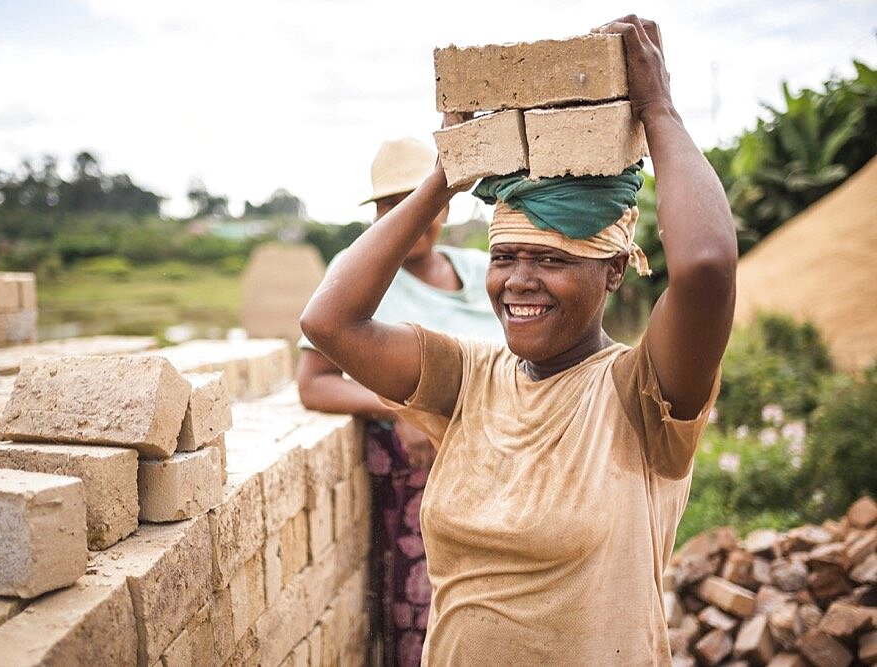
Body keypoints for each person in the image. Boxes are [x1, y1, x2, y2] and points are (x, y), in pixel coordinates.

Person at [300, 15, 737, 665]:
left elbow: (705, 266)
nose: (518, 282)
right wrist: (447, 173)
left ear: (614, 268)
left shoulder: (642, 395)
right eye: (504, 256)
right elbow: (328, 322)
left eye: (553, 259)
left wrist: (659, 109)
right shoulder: (467, 377)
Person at [296, 137, 504, 666]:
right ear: (379, 214)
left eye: (424, 200)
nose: (412, 216)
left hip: (500, 466)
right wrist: (399, 408)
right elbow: (314, 383)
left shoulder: (478, 271)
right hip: (423, 471)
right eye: (392, 205)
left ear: (445, 204)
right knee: (425, 614)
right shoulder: (360, 273)